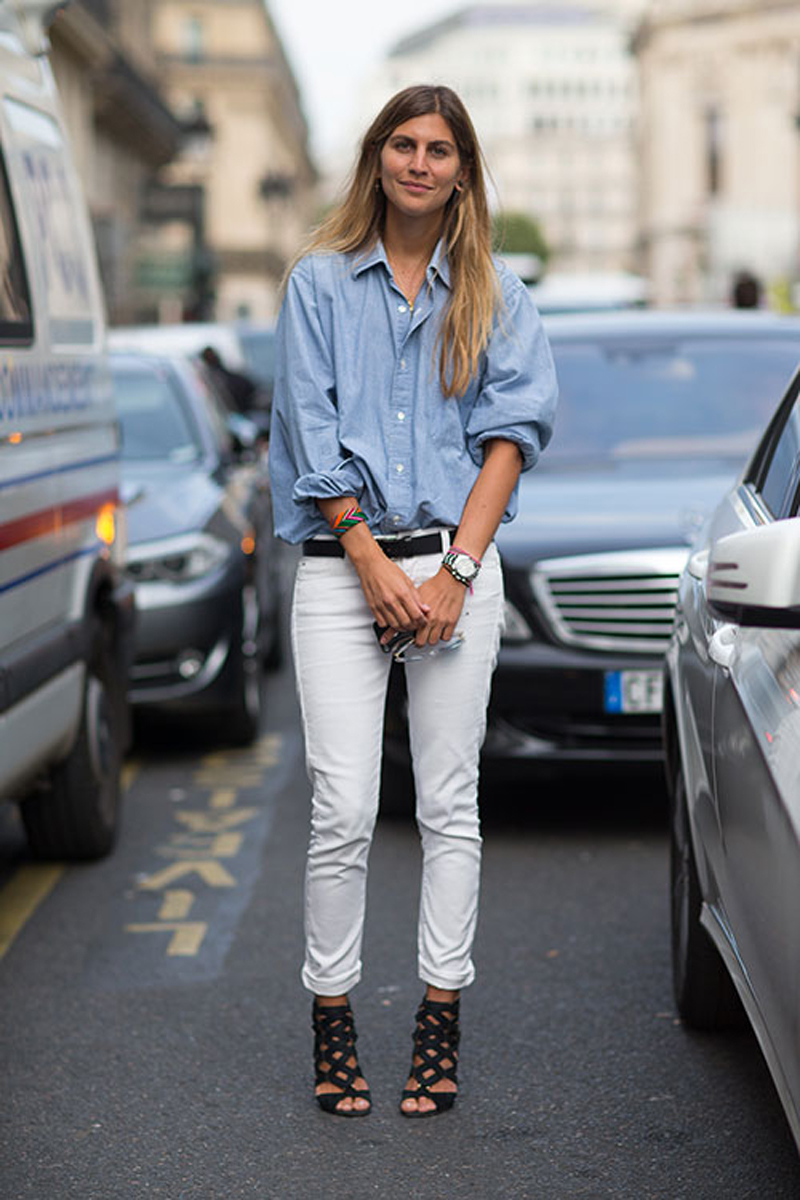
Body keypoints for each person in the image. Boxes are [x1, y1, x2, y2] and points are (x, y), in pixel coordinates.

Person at [270, 84, 557, 1118]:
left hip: (451, 573)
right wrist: (368, 561)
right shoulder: (316, 284)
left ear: (462, 170)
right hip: (339, 568)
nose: (419, 162)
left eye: (439, 148)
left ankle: (438, 1018)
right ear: (377, 158)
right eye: (403, 144)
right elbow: (310, 431)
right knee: (342, 809)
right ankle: (331, 1016)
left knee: (448, 805)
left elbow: (507, 441)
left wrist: (455, 576)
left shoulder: (496, 295)